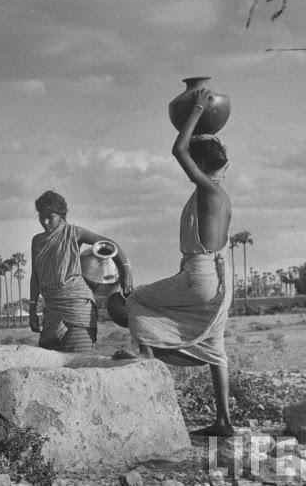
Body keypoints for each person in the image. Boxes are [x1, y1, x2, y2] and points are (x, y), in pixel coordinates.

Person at [118, 88, 234, 437]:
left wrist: (197, 108)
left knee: (136, 300)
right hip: (221, 276)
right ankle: (224, 421)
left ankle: (152, 375)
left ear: (199, 166)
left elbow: (178, 150)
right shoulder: (219, 194)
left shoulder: (208, 191)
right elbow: (193, 151)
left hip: (200, 274)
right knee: (216, 347)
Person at [29, 191, 132, 353]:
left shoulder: (74, 233)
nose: (45, 222)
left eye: (51, 217)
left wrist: (126, 269)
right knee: (49, 367)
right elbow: (35, 276)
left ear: (61, 216)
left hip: (78, 308)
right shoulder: (37, 241)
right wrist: (32, 308)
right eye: (41, 216)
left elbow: (110, 244)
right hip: (51, 310)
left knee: (81, 362)